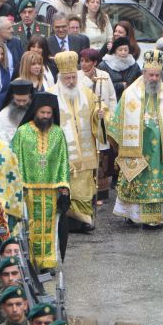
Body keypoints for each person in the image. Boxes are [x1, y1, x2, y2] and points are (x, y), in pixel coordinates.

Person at [108, 50, 163, 229]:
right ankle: (132, 215)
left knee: (156, 182)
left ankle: (153, 219)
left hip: (160, 149)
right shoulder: (130, 93)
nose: (154, 78)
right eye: (151, 75)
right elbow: (116, 121)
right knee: (135, 179)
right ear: (144, 74)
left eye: (157, 75)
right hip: (137, 146)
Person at [10, 93, 70, 271]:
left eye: (49, 113)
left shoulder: (58, 133)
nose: (45, 116)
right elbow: (15, 158)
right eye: (42, 112)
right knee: (30, 224)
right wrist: (18, 185)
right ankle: (30, 261)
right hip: (28, 188)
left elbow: (63, 159)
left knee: (49, 225)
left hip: (51, 189)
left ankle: (47, 262)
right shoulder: (22, 133)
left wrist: (64, 184)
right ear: (35, 111)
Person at [48, 51, 106, 232]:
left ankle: (84, 220)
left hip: (85, 150)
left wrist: (100, 114)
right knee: (67, 189)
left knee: (84, 188)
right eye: (67, 78)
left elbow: (97, 113)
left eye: (73, 77)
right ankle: (71, 222)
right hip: (63, 153)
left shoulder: (87, 94)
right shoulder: (50, 95)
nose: (71, 81)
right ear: (60, 78)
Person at [98, 37, 141, 101]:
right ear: (115, 50)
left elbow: (140, 82)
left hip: (130, 99)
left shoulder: (133, 65)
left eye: (126, 50)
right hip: (111, 100)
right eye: (120, 50)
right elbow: (101, 86)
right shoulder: (104, 65)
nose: (123, 52)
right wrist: (120, 86)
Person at [0, 79, 33, 145]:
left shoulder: (35, 113)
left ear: (30, 98)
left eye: (25, 101)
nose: (21, 104)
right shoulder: (2, 116)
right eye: (18, 101)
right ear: (12, 98)